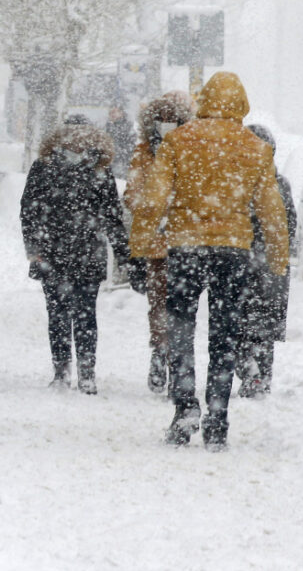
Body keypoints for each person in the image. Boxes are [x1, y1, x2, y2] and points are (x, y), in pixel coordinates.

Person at [149, 71, 289, 450]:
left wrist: (143, 241)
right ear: (242, 104)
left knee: (180, 330)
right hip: (233, 251)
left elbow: (154, 199)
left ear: (204, 100)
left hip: (186, 248)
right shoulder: (256, 149)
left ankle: (184, 407)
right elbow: (272, 211)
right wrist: (278, 257)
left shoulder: (178, 140)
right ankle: (217, 416)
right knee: (224, 335)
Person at [20, 115, 139, 395]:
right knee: (78, 314)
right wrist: (123, 254)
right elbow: (112, 216)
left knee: (65, 314)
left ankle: (69, 372)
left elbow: (29, 209)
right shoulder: (95, 168)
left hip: (61, 251)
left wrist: (34, 246)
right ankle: (79, 373)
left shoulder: (50, 165)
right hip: (78, 252)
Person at [123, 91, 195, 394]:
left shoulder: (192, 149)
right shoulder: (144, 152)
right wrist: (154, 209)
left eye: (172, 119)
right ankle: (161, 351)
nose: (166, 124)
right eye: (161, 119)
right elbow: (132, 194)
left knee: (181, 307)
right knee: (159, 305)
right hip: (158, 245)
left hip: (185, 243)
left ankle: (175, 359)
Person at [236, 124, 298, 397]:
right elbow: (290, 226)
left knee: (238, 322)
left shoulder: (234, 182)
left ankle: (248, 369)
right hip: (270, 265)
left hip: (244, 261)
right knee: (262, 328)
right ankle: (259, 376)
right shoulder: (279, 183)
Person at [105, 104, 136, 179]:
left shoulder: (127, 126)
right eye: (110, 112)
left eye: (114, 112)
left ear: (121, 113)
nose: (112, 114)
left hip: (122, 163)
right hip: (111, 163)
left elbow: (130, 146)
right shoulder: (107, 126)